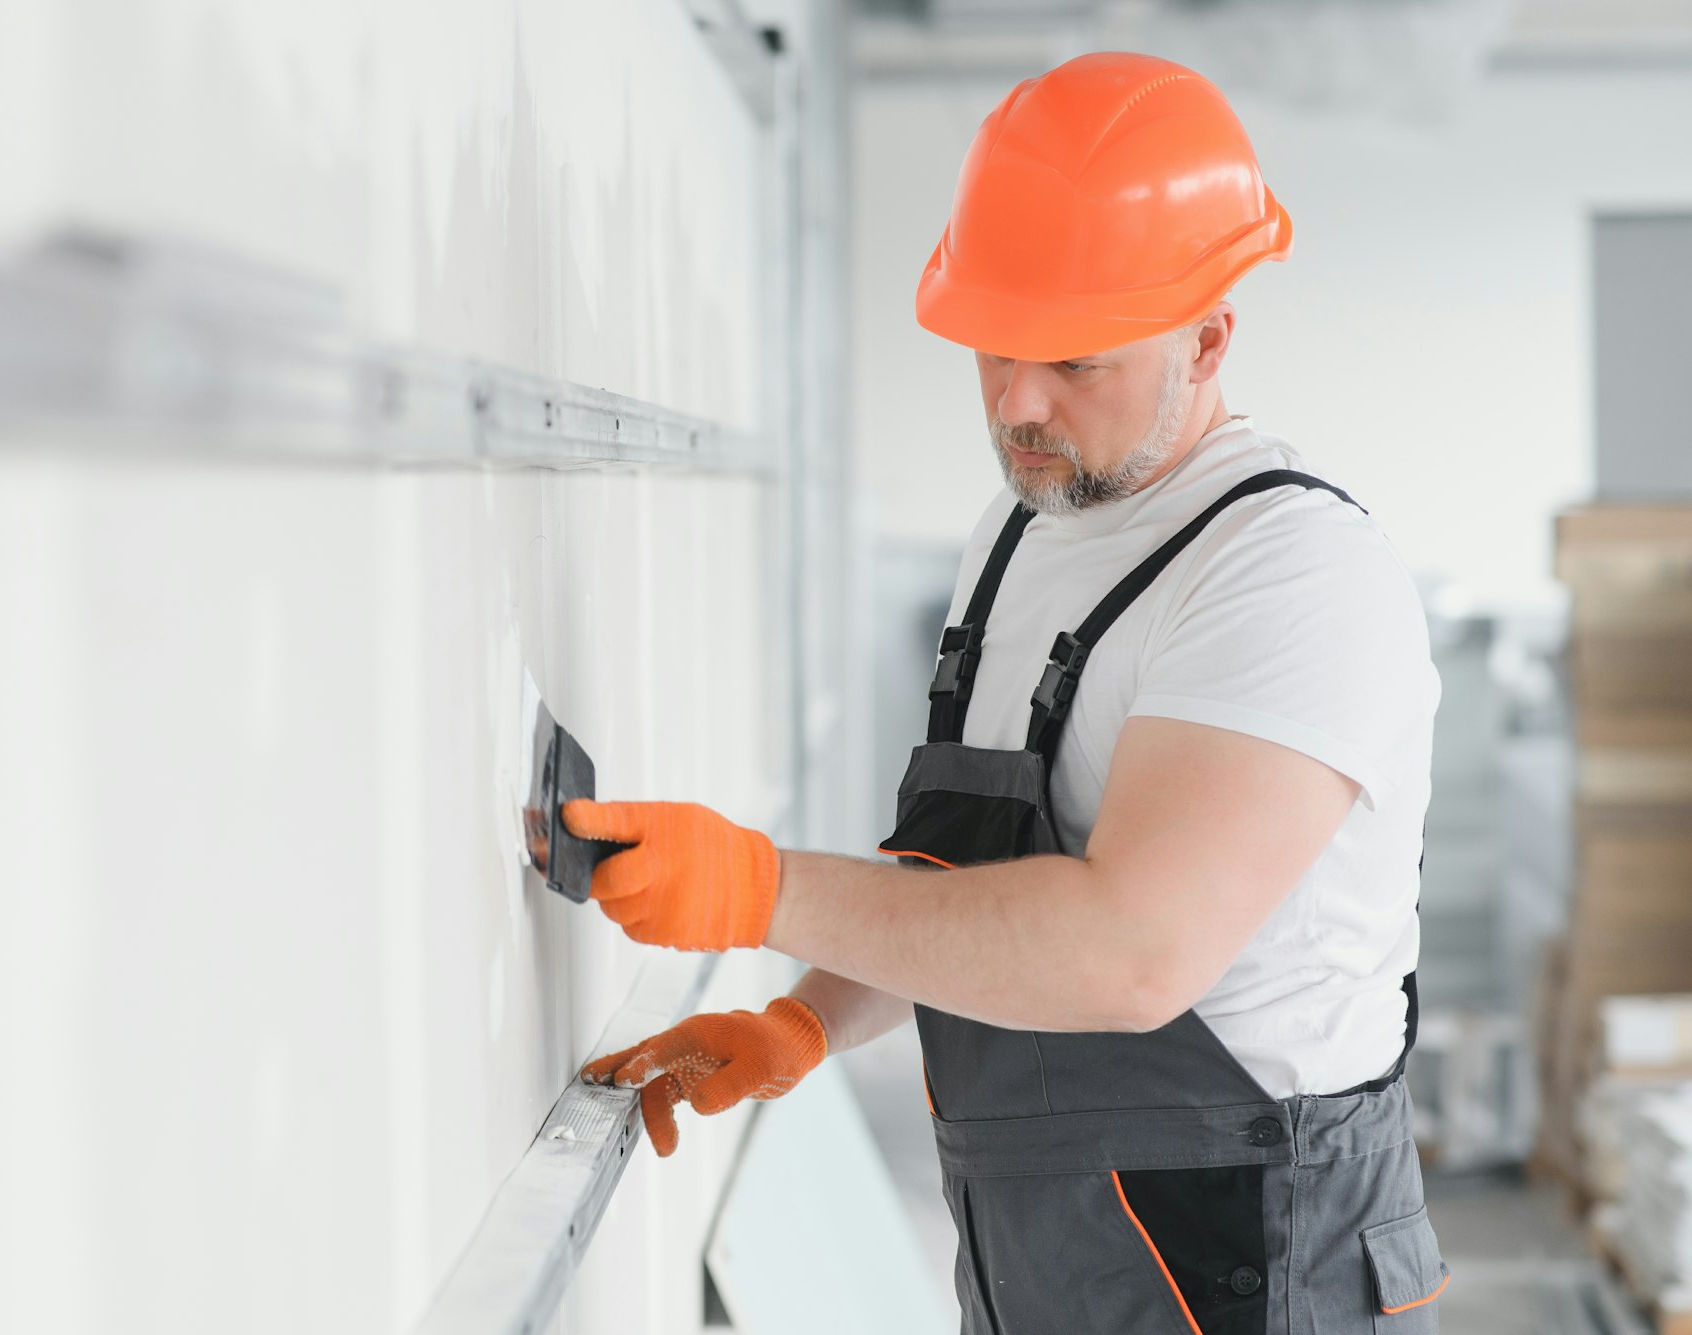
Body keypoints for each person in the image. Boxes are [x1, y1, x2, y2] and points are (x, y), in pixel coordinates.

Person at [567, 51, 1447, 1333]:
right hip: (1047, 1254)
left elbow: (1126, 955)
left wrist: (759, 887)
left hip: (1254, 1257)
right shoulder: (1019, 532)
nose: (1016, 403)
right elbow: (970, 890)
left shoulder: (1288, 575)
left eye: (1076, 363)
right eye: (993, 349)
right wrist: (805, 1021)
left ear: (1207, 338)